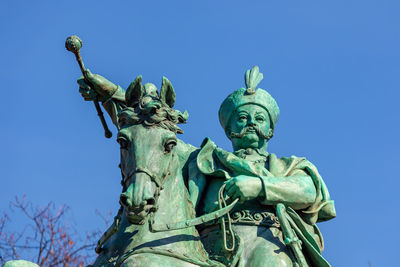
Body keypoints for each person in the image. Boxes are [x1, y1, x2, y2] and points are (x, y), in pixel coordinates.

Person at [187, 66, 336, 266]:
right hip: (207, 247)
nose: (251, 123)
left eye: (259, 118)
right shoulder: (205, 162)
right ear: (229, 129)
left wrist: (258, 186)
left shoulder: (289, 166)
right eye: (242, 118)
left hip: (267, 241)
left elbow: (308, 192)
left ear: (270, 130)